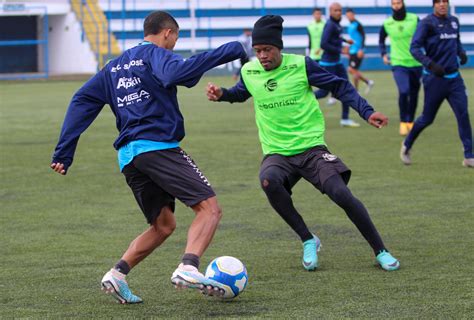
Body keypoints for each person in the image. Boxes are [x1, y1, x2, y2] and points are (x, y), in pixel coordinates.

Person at [50, 11, 247, 304]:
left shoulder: (113, 67)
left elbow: (82, 99)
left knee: (163, 226)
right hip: (156, 147)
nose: (174, 46)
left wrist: (64, 152)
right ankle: (189, 266)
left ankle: (117, 274)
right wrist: (232, 50)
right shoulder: (155, 54)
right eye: (175, 38)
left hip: (129, 158)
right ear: (167, 33)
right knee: (210, 209)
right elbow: (178, 73)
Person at [206, 15, 400, 272]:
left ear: (279, 47)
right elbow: (242, 93)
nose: (262, 55)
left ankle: (381, 250)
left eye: (267, 50)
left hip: (311, 149)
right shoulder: (249, 70)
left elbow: (340, 86)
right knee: (268, 181)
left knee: (341, 193)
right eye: (258, 50)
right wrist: (223, 95)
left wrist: (366, 111)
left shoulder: (301, 65)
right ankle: (308, 239)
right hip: (278, 153)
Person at [401, 0, 473, 168]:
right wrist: (430, 64)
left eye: (445, 2)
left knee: (463, 115)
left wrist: (461, 53)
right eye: (439, 2)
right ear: (434, 4)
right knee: (427, 118)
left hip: (455, 79)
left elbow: (457, 42)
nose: (442, 5)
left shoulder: (454, 21)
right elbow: (415, 48)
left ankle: (469, 156)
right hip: (434, 80)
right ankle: (407, 144)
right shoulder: (427, 23)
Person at [379, 0, 423, 136]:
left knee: (414, 93)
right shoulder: (387, 23)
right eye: (394, 3)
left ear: (403, 4)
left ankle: (410, 121)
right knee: (404, 91)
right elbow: (381, 39)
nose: (396, 6)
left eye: (399, 3)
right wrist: (383, 54)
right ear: (391, 6)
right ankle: (403, 122)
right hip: (398, 63)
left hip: (416, 63)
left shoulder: (415, 19)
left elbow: (425, 35)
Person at [314, 3, 360, 127]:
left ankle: (345, 118)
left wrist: (346, 41)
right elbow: (324, 44)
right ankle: (300, 101)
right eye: (335, 10)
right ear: (330, 12)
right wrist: (340, 50)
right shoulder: (329, 25)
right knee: (323, 93)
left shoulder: (336, 24)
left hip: (337, 63)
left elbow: (336, 37)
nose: (338, 12)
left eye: (340, 10)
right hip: (328, 64)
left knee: (345, 88)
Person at [345, 8, 374, 94]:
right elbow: (352, 38)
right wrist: (348, 48)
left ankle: (357, 90)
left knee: (352, 69)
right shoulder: (349, 25)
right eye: (347, 16)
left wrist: (361, 49)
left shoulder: (358, 25)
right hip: (352, 50)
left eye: (350, 15)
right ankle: (368, 82)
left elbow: (363, 36)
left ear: (353, 15)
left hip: (358, 51)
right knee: (352, 70)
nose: (349, 17)